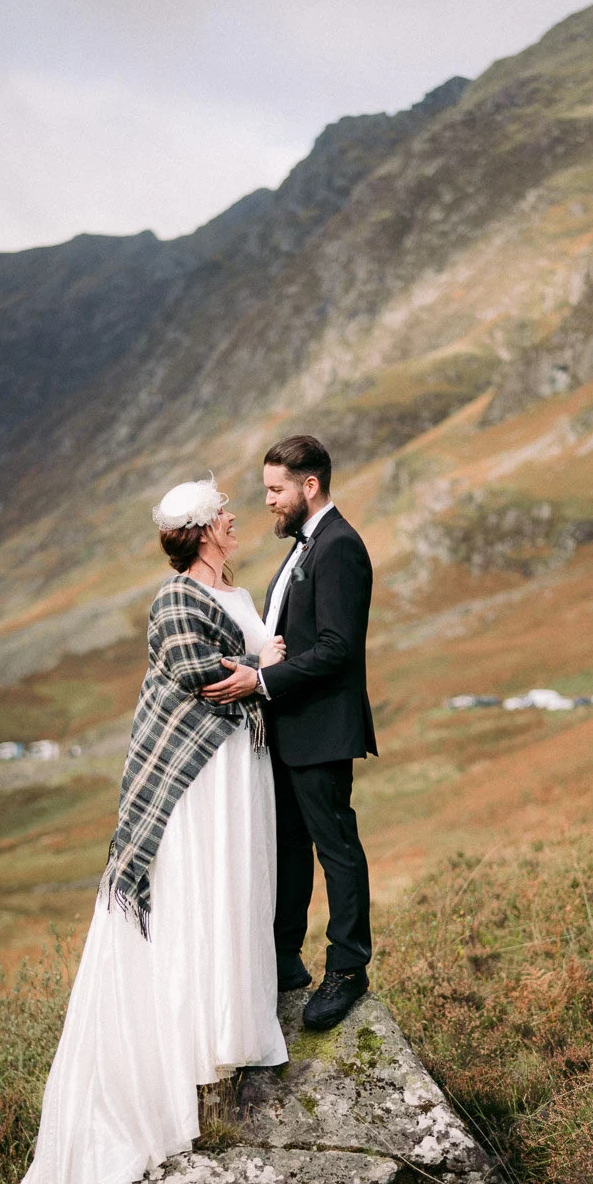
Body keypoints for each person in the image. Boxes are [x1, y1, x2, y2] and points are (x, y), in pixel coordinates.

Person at [4, 476, 289, 1184]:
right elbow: (198, 676)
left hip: (241, 762)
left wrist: (255, 667)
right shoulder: (172, 599)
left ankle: (234, 1016)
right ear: (201, 530)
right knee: (206, 885)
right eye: (225, 513)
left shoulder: (229, 587)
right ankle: (202, 1030)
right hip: (200, 776)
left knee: (240, 885)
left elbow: (235, 672)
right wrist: (261, 661)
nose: (237, 519)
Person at [201, 434, 377, 1032]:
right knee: (289, 850)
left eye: (276, 490)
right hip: (289, 729)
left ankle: (348, 970)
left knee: (336, 849)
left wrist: (259, 682)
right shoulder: (306, 546)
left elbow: (336, 649)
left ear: (310, 486)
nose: (269, 502)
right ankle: (284, 961)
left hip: (322, 729)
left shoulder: (340, 548)